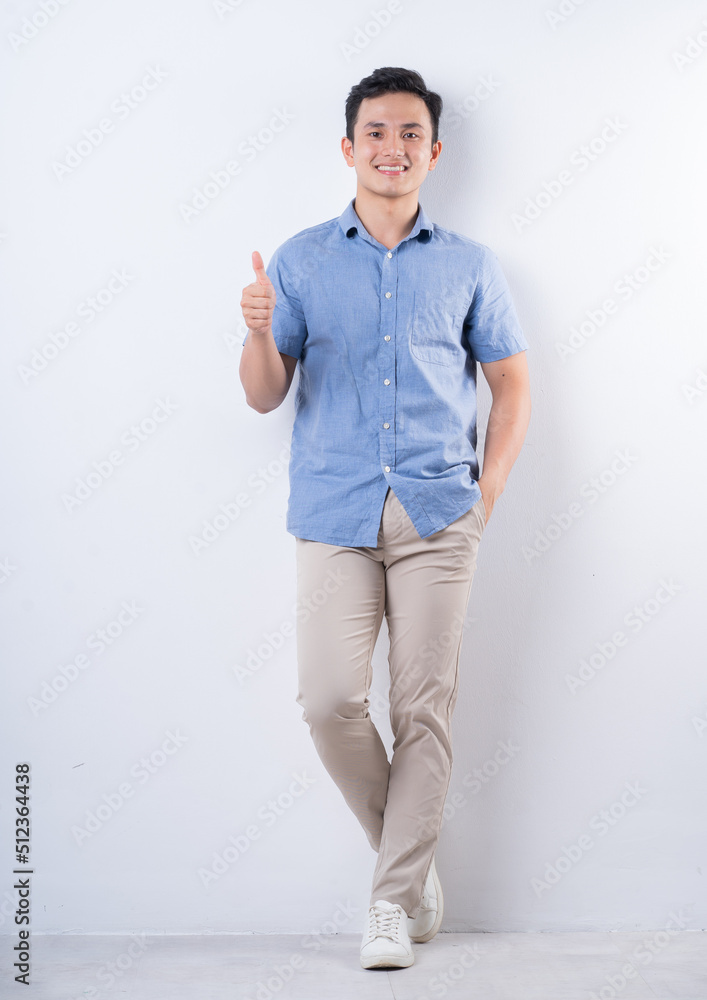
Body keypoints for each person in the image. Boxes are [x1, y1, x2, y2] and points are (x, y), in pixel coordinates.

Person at [239, 66, 531, 970]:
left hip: (440, 513)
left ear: (432, 151)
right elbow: (263, 398)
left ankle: (388, 906)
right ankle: (409, 872)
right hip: (332, 511)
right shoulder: (298, 260)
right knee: (328, 701)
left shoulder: (469, 265)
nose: (392, 148)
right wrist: (256, 330)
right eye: (375, 132)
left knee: (422, 710)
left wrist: (486, 495)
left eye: (409, 133)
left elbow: (511, 381)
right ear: (348, 148)